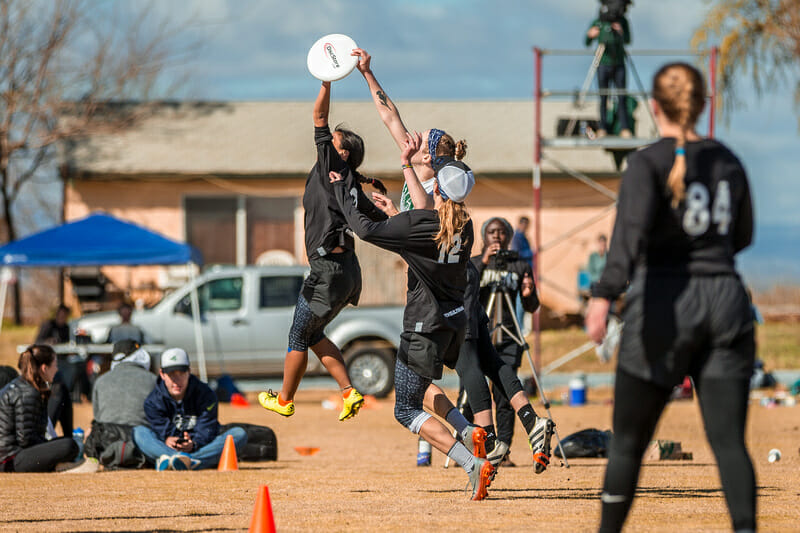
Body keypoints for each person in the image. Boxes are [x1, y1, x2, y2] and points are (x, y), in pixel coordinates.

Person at [585, 62, 756, 532]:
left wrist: (602, 296)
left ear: (653, 106)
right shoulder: (729, 160)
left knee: (627, 444)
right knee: (729, 444)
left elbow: (628, 238)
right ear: (701, 105)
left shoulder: (646, 163)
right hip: (727, 303)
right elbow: (743, 235)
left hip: (665, 304)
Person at [331, 133, 496, 500]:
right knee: (418, 390)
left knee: (404, 409)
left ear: (437, 187)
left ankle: (473, 463)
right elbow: (423, 244)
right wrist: (397, 213)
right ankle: (468, 430)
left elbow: (364, 230)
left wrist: (343, 189)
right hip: (453, 322)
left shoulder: (423, 225)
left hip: (426, 324)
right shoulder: (463, 226)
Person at [257, 76, 387, 422]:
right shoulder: (350, 185)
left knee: (298, 332)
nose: (327, 142)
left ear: (343, 153)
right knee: (313, 333)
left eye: (334, 142)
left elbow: (318, 117)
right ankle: (349, 390)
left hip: (328, 270)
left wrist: (326, 83)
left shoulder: (332, 166)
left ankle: (284, 399)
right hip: (347, 272)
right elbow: (383, 219)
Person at [352, 48, 468, 213]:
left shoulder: (437, 190)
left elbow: (422, 210)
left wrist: (405, 162)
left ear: (427, 157)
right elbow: (390, 117)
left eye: (420, 140)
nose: (413, 140)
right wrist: (367, 72)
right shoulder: (417, 168)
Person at [471, 217, 540, 466]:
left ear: (509, 236)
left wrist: (529, 294)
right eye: (491, 232)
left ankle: (504, 451)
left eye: (502, 232)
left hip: (509, 338)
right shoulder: (474, 263)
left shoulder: (519, 264)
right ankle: (470, 447)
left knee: (505, 396)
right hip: (481, 336)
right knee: (471, 394)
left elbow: (533, 306)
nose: (497, 236)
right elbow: (465, 291)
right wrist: (484, 262)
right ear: (484, 236)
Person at [133, 348, 247, 470]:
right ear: (162, 374)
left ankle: (181, 461)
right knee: (138, 432)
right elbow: (160, 429)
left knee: (239, 434)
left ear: (189, 372)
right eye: (172, 374)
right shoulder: (153, 401)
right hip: (168, 448)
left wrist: (194, 443)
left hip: (200, 447)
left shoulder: (206, 394)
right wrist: (168, 439)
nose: (177, 381)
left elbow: (207, 427)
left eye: (181, 373)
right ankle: (188, 461)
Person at [0, 345, 97, 473]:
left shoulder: (22, 386)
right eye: (55, 365)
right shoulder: (27, 392)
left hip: (9, 455)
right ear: (44, 368)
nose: (57, 370)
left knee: (66, 443)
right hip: (10, 460)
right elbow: (25, 439)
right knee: (69, 445)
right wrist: (49, 449)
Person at [85, 340, 156, 468]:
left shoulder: (100, 381)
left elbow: (98, 418)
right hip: (141, 447)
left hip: (106, 445)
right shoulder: (153, 380)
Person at [585, 2, 632, 138]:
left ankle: (625, 128)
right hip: (602, 63)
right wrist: (590, 35)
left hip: (619, 62)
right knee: (603, 96)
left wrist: (621, 32)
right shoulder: (598, 22)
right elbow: (586, 41)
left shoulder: (623, 22)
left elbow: (628, 39)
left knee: (622, 96)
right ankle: (603, 128)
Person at [35, 304, 75, 434]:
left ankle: (67, 435)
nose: (63, 317)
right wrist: (48, 342)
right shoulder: (48, 325)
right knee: (59, 391)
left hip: (60, 362)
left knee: (62, 390)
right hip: (49, 364)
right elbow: (37, 342)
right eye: (61, 314)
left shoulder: (66, 328)